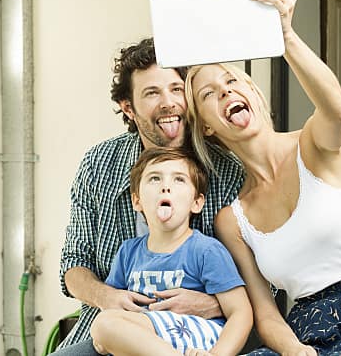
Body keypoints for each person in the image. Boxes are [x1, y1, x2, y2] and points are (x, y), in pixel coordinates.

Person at [184, 0, 341, 355]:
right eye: (209, 93)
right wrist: (294, 351)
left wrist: (286, 37)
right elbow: (267, 314)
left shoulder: (313, 144)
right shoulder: (232, 220)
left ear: (253, 93)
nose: (225, 90)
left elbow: (336, 109)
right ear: (207, 125)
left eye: (231, 80)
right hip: (304, 332)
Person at [52, 38, 245, 355]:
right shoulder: (98, 164)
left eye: (176, 89)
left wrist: (212, 303)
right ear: (129, 107)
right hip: (121, 329)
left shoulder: (226, 170)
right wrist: (108, 298)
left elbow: (261, 278)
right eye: (152, 93)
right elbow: (74, 264)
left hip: (199, 333)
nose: (168, 102)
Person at [90, 147, 252, 356]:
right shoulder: (127, 252)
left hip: (196, 337)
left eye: (179, 180)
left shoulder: (206, 250)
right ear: (136, 200)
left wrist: (218, 355)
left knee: (104, 325)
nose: (166, 187)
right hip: (151, 339)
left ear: (197, 202)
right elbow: (115, 307)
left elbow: (241, 312)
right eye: (155, 179)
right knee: (103, 336)